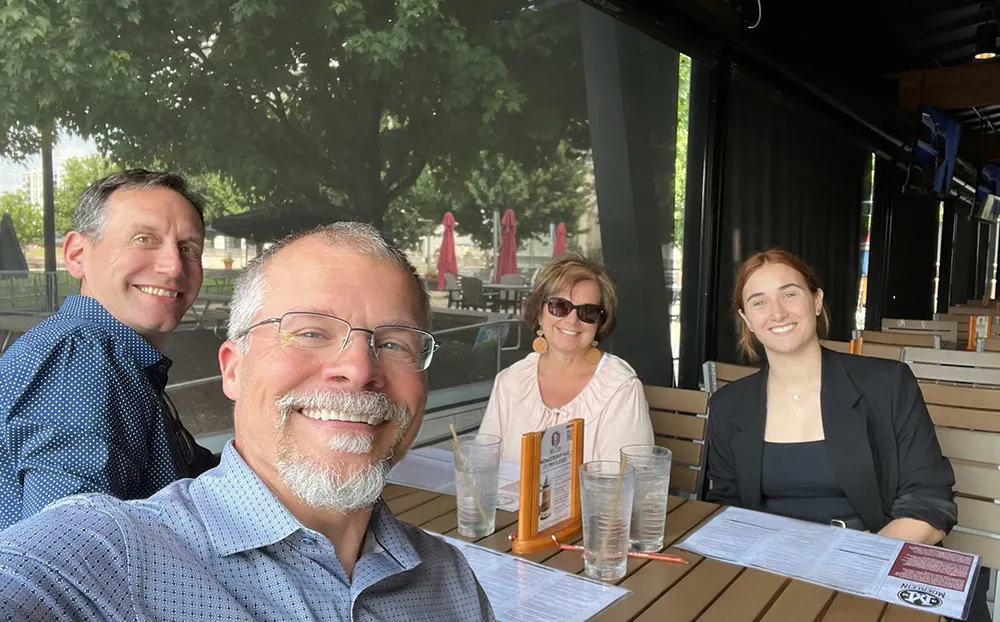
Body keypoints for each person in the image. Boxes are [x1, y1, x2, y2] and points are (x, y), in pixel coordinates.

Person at [0, 222, 493, 621]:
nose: (361, 370)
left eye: (393, 343)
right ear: (233, 368)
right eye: (310, 332)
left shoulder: (449, 582)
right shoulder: (114, 556)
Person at [0, 169, 217, 530]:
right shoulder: (82, 355)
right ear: (77, 255)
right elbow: (71, 551)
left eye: (188, 248)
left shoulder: (120, 359)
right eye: (144, 239)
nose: (173, 266)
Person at [705, 248, 957, 544]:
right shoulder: (728, 406)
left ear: (816, 301)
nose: (777, 312)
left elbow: (929, 505)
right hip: (771, 564)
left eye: (789, 294)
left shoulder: (888, 385)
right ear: (746, 320)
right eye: (759, 302)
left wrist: (856, 561)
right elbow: (726, 509)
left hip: (873, 553)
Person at [480, 253, 653, 464]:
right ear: (539, 313)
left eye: (588, 312)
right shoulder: (510, 381)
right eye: (559, 306)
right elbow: (483, 464)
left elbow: (624, 486)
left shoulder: (620, 388)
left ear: (600, 323)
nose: (572, 320)